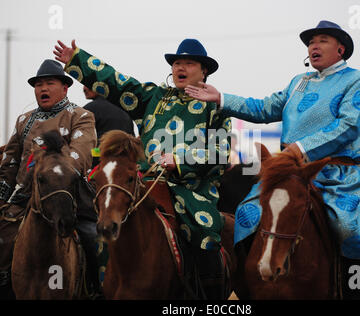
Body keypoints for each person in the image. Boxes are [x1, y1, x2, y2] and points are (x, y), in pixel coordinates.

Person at [186, 20, 360, 299]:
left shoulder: (357, 80)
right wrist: (222, 98)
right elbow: (263, 108)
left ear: (341, 49)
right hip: (289, 173)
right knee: (245, 215)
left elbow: (348, 126)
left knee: (347, 227)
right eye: (311, 42)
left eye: (322, 40)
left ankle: (358, 289)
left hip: (334, 173)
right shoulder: (298, 82)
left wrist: (300, 148)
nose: (314, 45)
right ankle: (247, 286)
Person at [53, 38, 232, 299]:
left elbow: (220, 153)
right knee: (105, 229)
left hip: (191, 190)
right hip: (144, 184)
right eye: (177, 63)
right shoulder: (152, 97)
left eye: (189, 63)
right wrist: (76, 59)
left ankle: (206, 297)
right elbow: (117, 82)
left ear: (204, 70)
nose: (180, 67)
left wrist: (179, 161)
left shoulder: (215, 107)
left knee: (204, 233)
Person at [0, 59, 98, 299]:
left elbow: (81, 156)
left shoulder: (81, 115)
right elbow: (10, 162)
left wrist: (51, 173)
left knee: (95, 240)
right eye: (38, 84)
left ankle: (95, 290)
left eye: (49, 83)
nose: (42, 89)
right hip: (22, 202)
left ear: (65, 88)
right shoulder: (24, 120)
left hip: (67, 199)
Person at [83, 85, 135, 168]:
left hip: (99, 157)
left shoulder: (89, 109)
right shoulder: (125, 110)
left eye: (87, 84)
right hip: (126, 162)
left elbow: (78, 139)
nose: (84, 89)